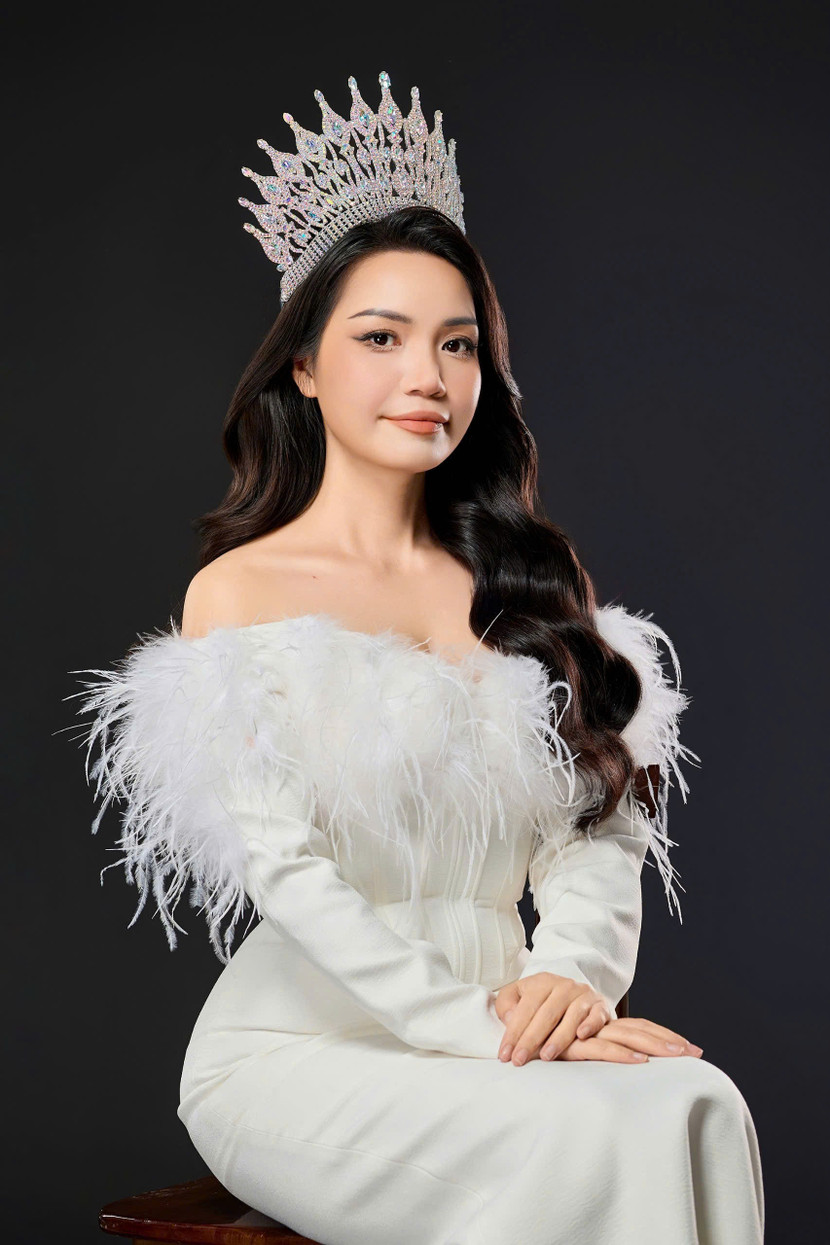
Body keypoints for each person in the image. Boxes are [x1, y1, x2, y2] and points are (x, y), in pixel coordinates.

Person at [68, 71, 764, 1245]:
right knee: (579, 1136)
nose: (426, 378)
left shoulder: (529, 580)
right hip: (305, 1047)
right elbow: (290, 877)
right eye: (379, 338)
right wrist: (481, 1030)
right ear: (302, 364)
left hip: (512, 1025)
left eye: (456, 344)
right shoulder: (240, 592)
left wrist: (571, 986)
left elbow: (594, 829)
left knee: (697, 1101)